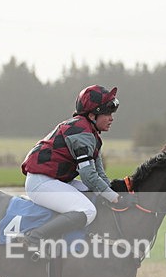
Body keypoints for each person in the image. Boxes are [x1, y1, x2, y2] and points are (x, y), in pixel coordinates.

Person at [19, 84, 127, 245]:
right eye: (107, 113)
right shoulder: (81, 132)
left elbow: (99, 174)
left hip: (56, 180)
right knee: (87, 210)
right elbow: (88, 176)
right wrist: (115, 198)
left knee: (97, 195)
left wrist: (114, 193)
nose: (111, 118)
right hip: (41, 182)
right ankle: (34, 237)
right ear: (92, 116)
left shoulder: (91, 134)